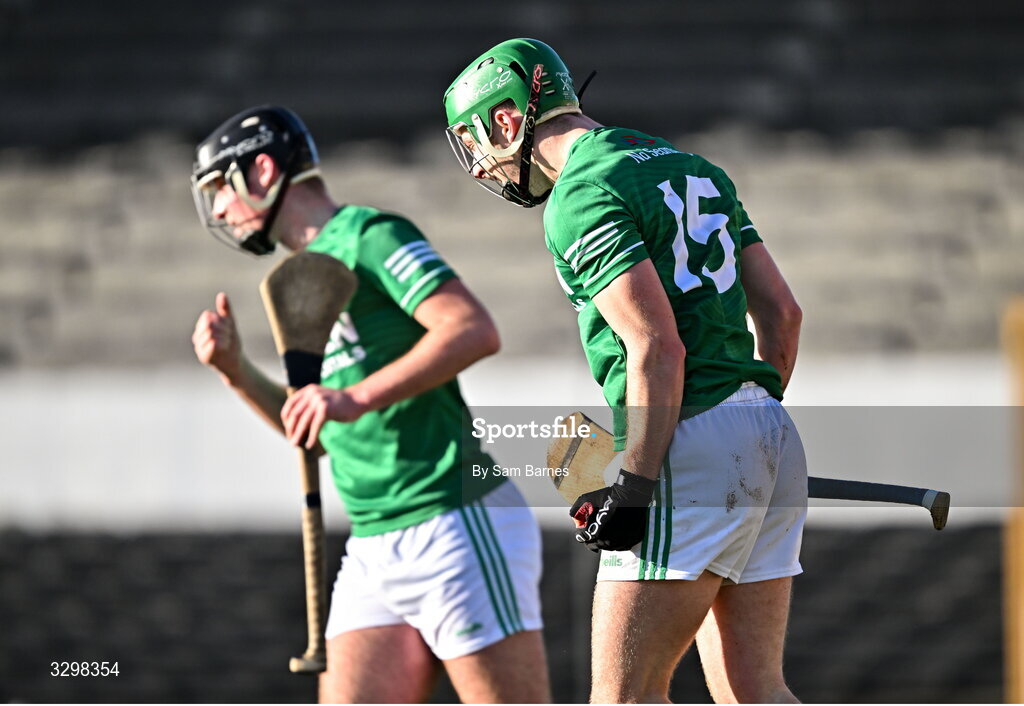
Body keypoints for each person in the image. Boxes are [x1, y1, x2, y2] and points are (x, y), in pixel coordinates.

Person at [443, 39, 807, 703]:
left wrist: (635, 488)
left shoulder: (580, 195)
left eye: (475, 142)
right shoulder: (696, 167)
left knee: (623, 697)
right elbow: (782, 316)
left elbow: (656, 348)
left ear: (506, 122)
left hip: (687, 442)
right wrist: (752, 423)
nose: (481, 169)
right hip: (769, 427)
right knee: (756, 692)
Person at [189, 105, 550, 703]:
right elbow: (319, 430)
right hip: (373, 543)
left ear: (261, 170)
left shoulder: (370, 236)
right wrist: (234, 371)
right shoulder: (297, 277)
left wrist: (355, 396)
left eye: (219, 190)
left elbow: (472, 328)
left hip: (453, 521)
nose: (220, 210)